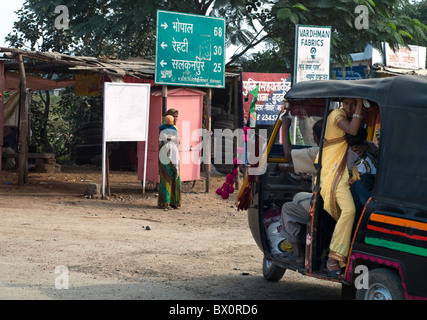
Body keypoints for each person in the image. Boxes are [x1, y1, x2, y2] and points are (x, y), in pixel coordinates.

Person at [318, 97, 364, 276]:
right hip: (332, 171)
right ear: (341, 104)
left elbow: (356, 138)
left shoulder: (355, 117)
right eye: (347, 103)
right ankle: (333, 259)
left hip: (346, 172)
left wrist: (361, 147)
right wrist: (360, 102)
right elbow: (353, 130)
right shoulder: (336, 115)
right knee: (349, 211)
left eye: (353, 104)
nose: (350, 108)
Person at [279, 117, 323, 264]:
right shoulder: (350, 149)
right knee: (298, 197)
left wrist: (285, 126)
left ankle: (298, 253)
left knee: (288, 208)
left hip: (323, 204)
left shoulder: (318, 152)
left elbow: (287, 154)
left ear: (316, 137)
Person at [346, 126, 378, 218]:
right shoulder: (349, 153)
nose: (356, 150)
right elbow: (348, 173)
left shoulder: (371, 147)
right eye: (353, 148)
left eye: (359, 146)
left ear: (364, 142)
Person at [158, 114, 181, 210]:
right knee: (172, 179)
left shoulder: (162, 132)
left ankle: (167, 202)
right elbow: (177, 142)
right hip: (172, 158)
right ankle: (171, 202)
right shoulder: (173, 131)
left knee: (166, 180)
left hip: (164, 158)